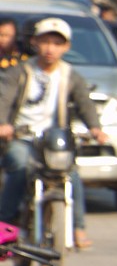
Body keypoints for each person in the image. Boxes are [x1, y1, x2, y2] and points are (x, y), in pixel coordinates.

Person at [0, 19, 107, 249]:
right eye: (45, 42)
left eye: (57, 44)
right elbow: (4, 99)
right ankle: (5, 225)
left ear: (66, 47)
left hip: (54, 141)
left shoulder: (70, 75)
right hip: (23, 138)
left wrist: (95, 128)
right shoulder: (20, 71)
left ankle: (78, 227)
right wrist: (3, 124)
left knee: (71, 174)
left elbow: (84, 103)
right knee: (20, 167)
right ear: (34, 42)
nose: (50, 48)